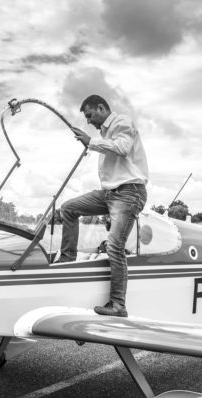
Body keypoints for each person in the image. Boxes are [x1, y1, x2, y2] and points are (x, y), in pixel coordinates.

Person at [59, 94, 149, 317]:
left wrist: (91, 142)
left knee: (114, 246)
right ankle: (66, 262)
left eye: (90, 116)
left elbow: (123, 147)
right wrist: (93, 141)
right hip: (110, 193)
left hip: (129, 193)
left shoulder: (122, 123)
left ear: (101, 108)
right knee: (68, 209)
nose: (89, 122)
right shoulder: (104, 134)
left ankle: (118, 304)